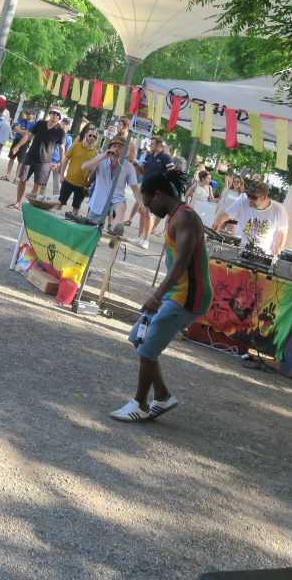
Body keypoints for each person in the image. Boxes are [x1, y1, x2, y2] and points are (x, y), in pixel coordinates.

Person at [109, 169, 212, 422]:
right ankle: (163, 396)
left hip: (188, 297)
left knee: (147, 350)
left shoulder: (185, 217)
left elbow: (182, 261)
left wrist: (157, 296)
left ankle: (140, 404)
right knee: (138, 338)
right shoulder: (175, 216)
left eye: (149, 204)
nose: (149, 210)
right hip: (176, 294)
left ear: (159, 195)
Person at [82, 137, 142, 239]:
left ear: (125, 151)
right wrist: (103, 156)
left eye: (120, 147)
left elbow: (135, 188)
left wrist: (141, 203)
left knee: (121, 206)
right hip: (98, 201)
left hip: (116, 199)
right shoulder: (101, 158)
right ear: (110, 147)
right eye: (114, 146)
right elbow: (84, 167)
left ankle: (117, 228)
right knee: (87, 233)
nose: (116, 149)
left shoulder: (128, 166)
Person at [8, 108, 67, 210]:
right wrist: (18, 145)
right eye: (53, 113)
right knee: (22, 179)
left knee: (37, 184)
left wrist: (62, 166)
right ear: (50, 114)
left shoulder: (60, 131)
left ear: (59, 118)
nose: (55, 115)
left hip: (44, 162)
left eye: (57, 114)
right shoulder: (40, 124)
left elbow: (62, 149)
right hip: (30, 157)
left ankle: (30, 206)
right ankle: (17, 203)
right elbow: (28, 135)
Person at [212, 179, 289, 255]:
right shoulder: (243, 202)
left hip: (262, 254)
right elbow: (222, 216)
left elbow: (282, 234)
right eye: (248, 196)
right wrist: (216, 228)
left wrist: (275, 254)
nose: (249, 200)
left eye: (254, 198)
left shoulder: (279, 210)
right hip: (238, 249)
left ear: (263, 198)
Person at [55, 124, 97, 215]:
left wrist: (88, 184)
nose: (92, 137)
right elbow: (65, 160)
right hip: (69, 181)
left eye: (94, 136)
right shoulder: (76, 146)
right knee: (59, 203)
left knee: (76, 207)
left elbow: (93, 170)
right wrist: (61, 175)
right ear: (86, 135)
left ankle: (72, 222)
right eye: (90, 135)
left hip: (82, 185)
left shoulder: (95, 153)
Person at [2, 111, 33, 180]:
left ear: (33, 115)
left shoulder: (34, 124)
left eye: (29, 114)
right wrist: (24, 132)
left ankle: (16, 178)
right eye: (27, 113)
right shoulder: (22, 120)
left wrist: (21, 131)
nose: (27, 115)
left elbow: (29, 135)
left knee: (20, 161)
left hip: (25, 143)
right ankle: (7, 175)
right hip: (16, 140)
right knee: (11, 158)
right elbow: (16, 129)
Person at [49, 117, 73, 196]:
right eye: (63, 122)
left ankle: (55, 201)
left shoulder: (69, 138)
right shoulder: (53, 132)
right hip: (48, 160)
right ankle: (39, 199)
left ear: (69, 127)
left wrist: (59, 165)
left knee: (57, 186)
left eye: (66, 124)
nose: (64, 125)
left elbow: (67, 154)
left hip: (59, 163)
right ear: (60, 123)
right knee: (42, 182)